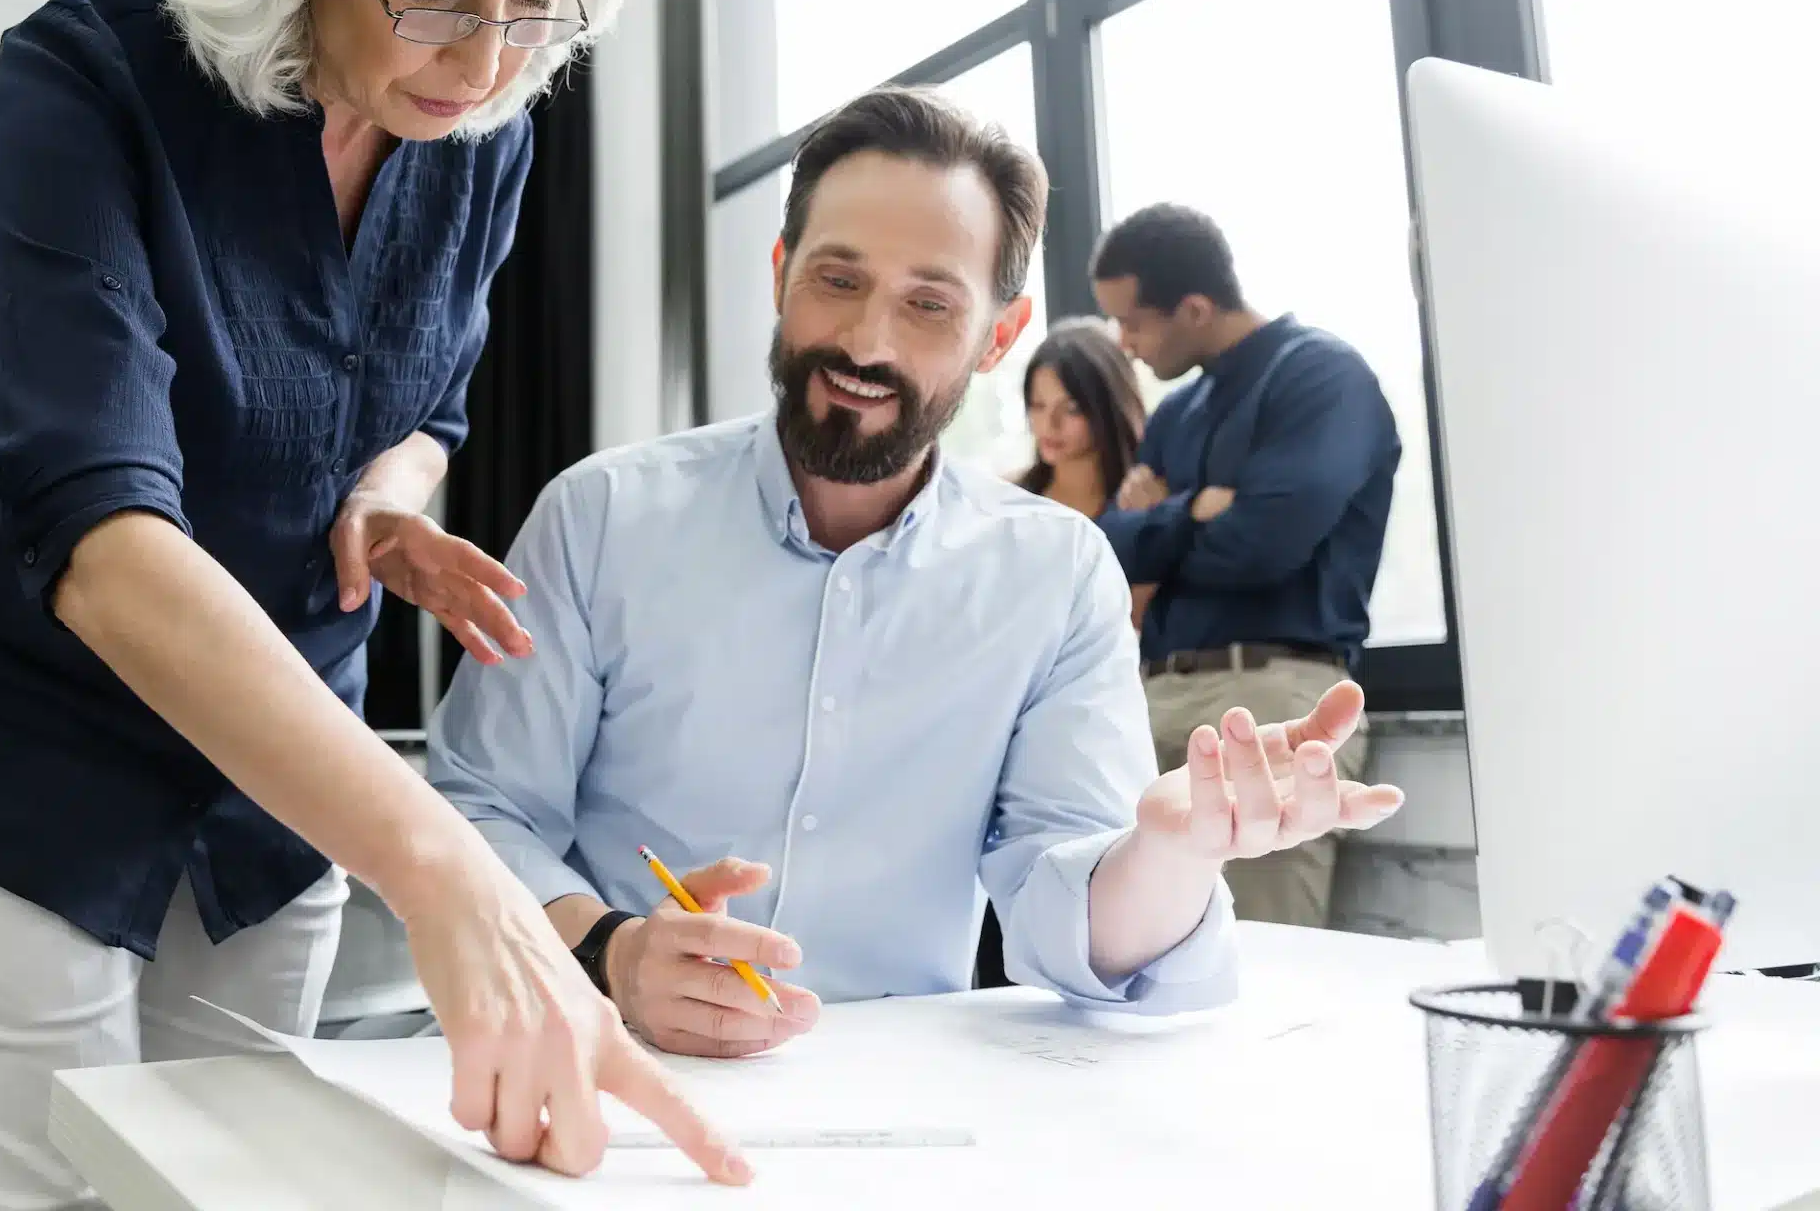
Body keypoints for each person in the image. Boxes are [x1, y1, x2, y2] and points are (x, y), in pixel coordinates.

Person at [0, 0, 745, 1209]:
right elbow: (103, 543)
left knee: (242, 1185)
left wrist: (389, 493)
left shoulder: (485, 136)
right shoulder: (89, 78)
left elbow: (428, 404)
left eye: (536, 3)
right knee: (44, 1192)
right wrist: (447, 871)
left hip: (277, 774)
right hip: (14, 733)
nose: (486, 60)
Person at [428, 89, 1401, 1055]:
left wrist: (1172, 852)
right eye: (837, 280)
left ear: (999, 336)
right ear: (781, 273)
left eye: (929, 304)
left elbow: (1069, 913)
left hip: (896, 1095)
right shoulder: (603, 516)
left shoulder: (1057, 574)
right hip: (592, 1057)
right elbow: (483, 810)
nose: (867, 342)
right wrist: (609, 951)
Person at [1090, 203, 1403, 930]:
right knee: (1133, 954)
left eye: (1133, 322)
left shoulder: (1322, 377)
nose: (1123, 344)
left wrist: (1159, 521)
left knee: (1264, 956)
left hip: (1271, 696)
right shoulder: (1177, 413)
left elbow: (1263, 546)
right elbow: (1110, 549)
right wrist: (1197, 511)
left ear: (1195, 309)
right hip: (1150, 698)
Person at [1012, 319, 1145, 518]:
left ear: (1107, 407)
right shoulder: (1010, 501)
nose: (1049, 424)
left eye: (1071, 410)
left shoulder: (1143, 500)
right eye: (1038, 405)